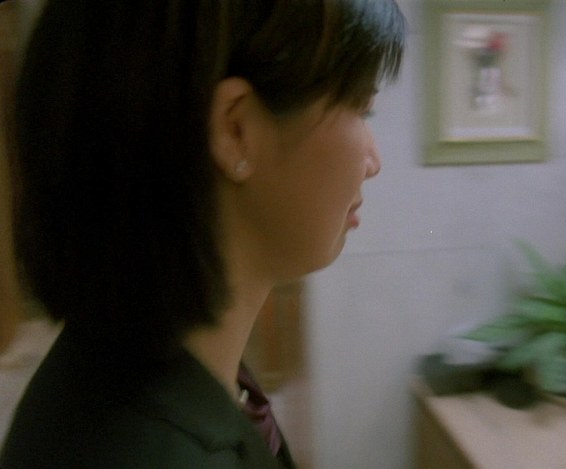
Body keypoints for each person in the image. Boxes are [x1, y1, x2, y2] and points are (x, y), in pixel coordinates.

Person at [0, 1, 405, 467]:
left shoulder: (125, 363)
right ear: (236, 130)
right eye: (363, 109)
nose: (373, 162)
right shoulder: (157, 450)